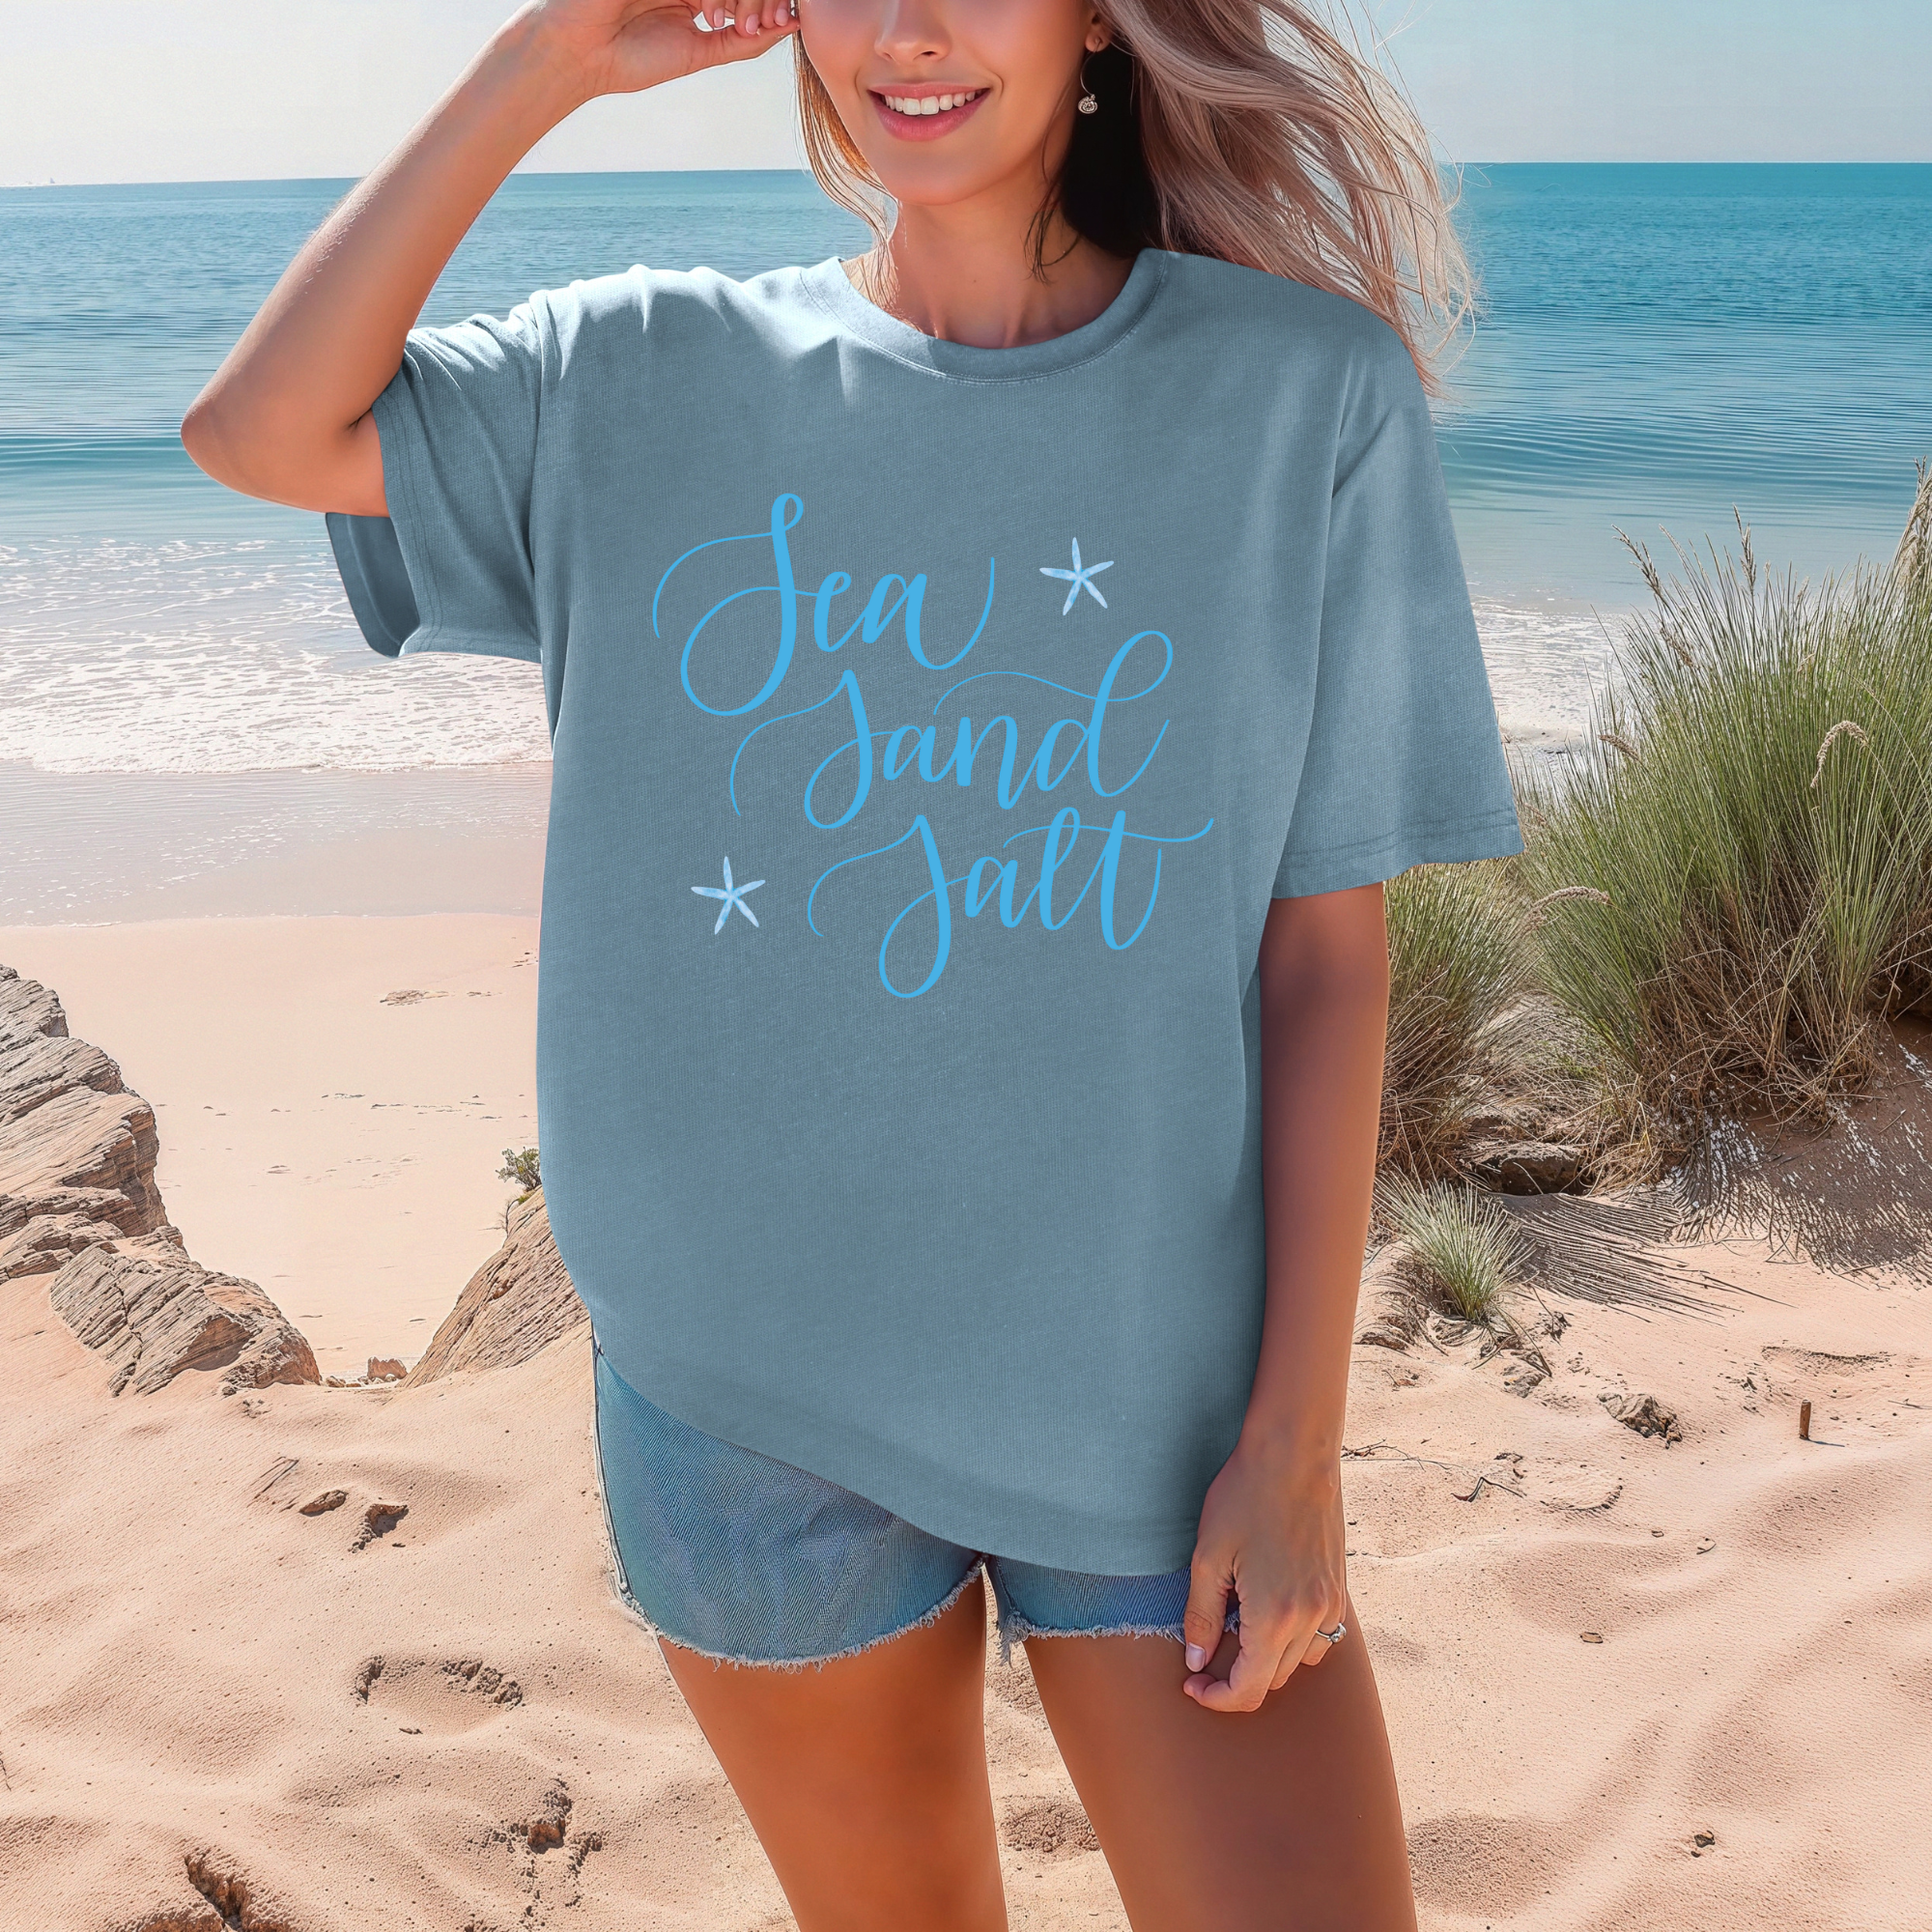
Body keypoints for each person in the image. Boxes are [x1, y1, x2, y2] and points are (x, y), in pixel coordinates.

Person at [183, 1, 1520, 1923]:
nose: (903, 28)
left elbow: (1324, 954)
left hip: (1154, 1397)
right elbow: (259, 428)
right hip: (743, 1406)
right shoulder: (643, 369)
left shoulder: (1303, 395)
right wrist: (543, 63)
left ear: (1098, 24)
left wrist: (1296, 1440)